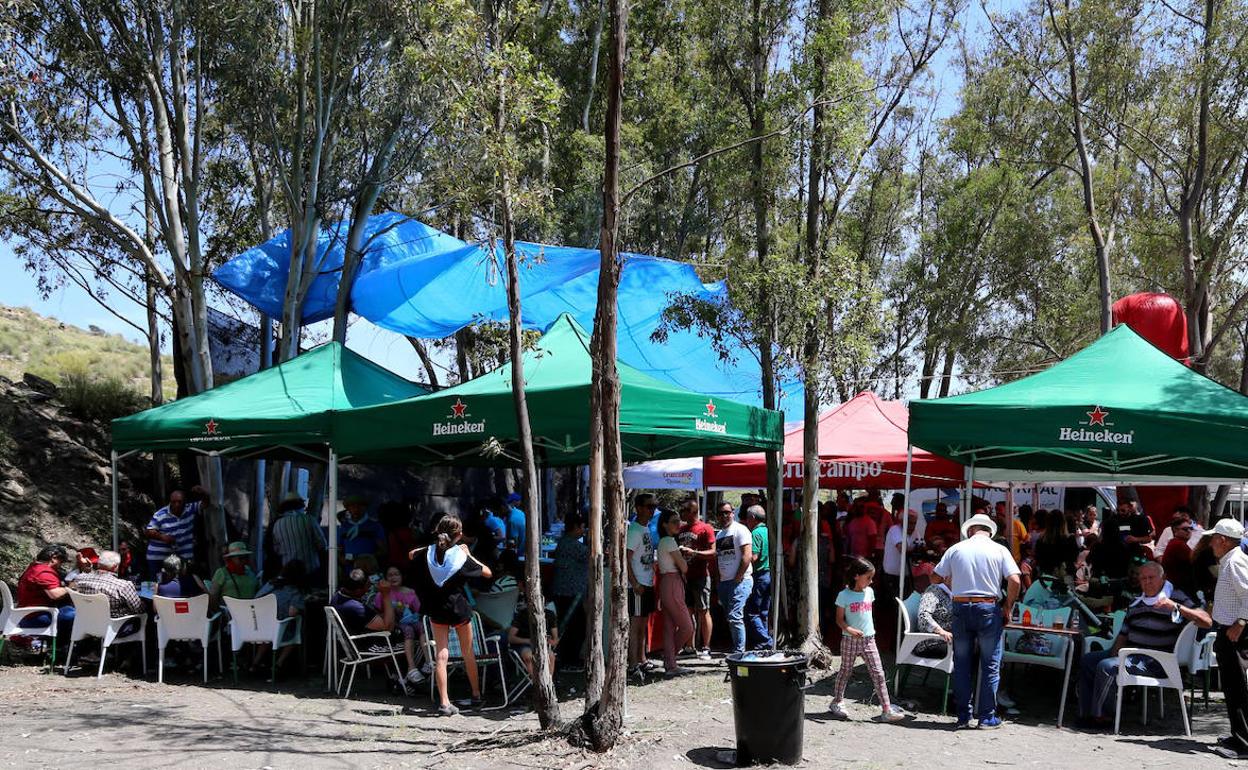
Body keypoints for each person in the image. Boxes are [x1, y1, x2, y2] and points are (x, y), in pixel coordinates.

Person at [1075, 560, 1211, 728]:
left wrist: (1176, 607)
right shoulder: (1136, 602)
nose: (1147, 582)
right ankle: (1086, 713)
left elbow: (1206, 621)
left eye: (1151, 578)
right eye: (1143, 579)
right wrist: (1115, 653)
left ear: (1163, 578)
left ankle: (1103, 717)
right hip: (1130, 653)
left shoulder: (1175, 597)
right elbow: (1123, 634)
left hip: (1156, 660)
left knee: (1106, 667)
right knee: (1088, 660)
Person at [933, 512, 1021, 730]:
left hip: (961, 607)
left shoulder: (956, 549)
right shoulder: (999, 549)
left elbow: (934, 577)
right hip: (988, 607)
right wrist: (1008, 606)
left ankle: (963, 716)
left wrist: (951, 578)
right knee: (990, 664)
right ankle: (987, 717)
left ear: (971, 530)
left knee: (962, 664)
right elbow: (1015, 580)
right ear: (989, 531)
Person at [409, 515, 491, 716]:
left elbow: (411, 554)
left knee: (441, 654)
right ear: (459, 535)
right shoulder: (460, 557)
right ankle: (476, 694)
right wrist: (469, 554)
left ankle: (445, 702)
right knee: (468, 652)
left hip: (436, 608)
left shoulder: (428, 553)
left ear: (438, 532)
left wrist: (430, 546)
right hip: (458, 608)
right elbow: (487, 573)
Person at [829, 556, 906, 722]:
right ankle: (837, 701)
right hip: (849, 640)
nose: (871, 581)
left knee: (878, 673)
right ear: (856, 576)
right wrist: (850, 629)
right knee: (845, 671)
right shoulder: (844, 595)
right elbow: (839, 620)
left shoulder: (869, 592)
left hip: (869, 640)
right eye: (868, 577)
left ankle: (886, 708)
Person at [1205, 519, 1248, 759]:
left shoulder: (1234, 561)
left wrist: (1240, 622)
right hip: (1230, 631)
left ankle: (1244, 743)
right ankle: (1239, 735)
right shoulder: (1231, 560)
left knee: (1236, 686)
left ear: (1223, 540)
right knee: (1233, 686)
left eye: (1214, 538)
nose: (1211, 543)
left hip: (1236, 633)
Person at [371, 565, 425, 688]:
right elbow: (377, 613)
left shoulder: (410, 592)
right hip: (393, 630)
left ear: (402, 576)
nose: (393, 577)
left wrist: (407, 610)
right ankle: (412, 668)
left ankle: (429, 662)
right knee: (408, 630)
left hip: (409, 623)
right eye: (390, 575)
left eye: (396, 574)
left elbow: (418, 610)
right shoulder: (382, 593)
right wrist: (391, 611)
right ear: (385, 578)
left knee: (422, 627)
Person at [654, 510, 694, 676]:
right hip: (672, 583)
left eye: (679, 521)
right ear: (665, 524)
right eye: (674, 521)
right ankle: (670, 660)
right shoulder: (669, 541)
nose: (678, 524)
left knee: (669, 627)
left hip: (667, 582)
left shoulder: (664, 541)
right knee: (687, 627)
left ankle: (670, 664)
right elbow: (684, 567)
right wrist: (683, 558)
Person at [678, 499, 718, 660]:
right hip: (684, 577)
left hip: (701, 576)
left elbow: (713, 552)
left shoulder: (705, 528)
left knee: (703, 610)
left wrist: (694, 553)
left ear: (693, 511)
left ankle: (706, 648)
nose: (681, 513)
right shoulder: (681, 529)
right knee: (687, 612)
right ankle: (689, 646)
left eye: (684, 510)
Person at [72, 549, 144, 636]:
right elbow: (139, 609)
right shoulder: (123, 586)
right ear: (115, 567)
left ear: (98, 564)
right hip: (115, 628)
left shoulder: (80, 579)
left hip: (86, 624)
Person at [144, 486, 210, 580]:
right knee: (158, 583)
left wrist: (203, 493)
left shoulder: (191, 509)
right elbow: (148, 531)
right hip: (158, 557)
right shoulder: (160, 514)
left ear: (185, 502)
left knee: (185, 582)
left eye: (180, 502)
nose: (177, 504)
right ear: (170, 502)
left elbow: (206, 503)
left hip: (183, 556)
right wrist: (162, 537)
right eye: (174, 502)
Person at [551, 511, 589, 672]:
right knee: (576, 628)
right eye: (582, 527)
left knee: (569, 627)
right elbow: (592, 553)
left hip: (564, 591)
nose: (583, 531)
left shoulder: (563, 542)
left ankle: (568, 658)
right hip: (570, 593)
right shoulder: (572, 545)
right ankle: (569, 660)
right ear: (575, 527)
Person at [714, 501, 753, 656]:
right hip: (724, 582)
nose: (724, 516)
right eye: (720, 513)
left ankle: (739, 652)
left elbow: (747, 556)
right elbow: (718, 558)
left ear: (733, 512)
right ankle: (736, 649)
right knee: (731, 617)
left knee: (735, 616)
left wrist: (738, 577)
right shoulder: (720, 534)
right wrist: (719, 581)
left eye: (727, 512)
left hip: (740, 581)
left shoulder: (740, 530)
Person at [626, 493, 659, 675]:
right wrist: (634, 583)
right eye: (649, 506)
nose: (652, 510)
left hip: (646, 582)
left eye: (654, 506)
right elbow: (626, 558)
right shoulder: (634, 530)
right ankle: (633, 664)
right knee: (636, 626)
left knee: (643, 624)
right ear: (638, 508)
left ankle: (642, 659)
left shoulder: (646, 529)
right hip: (637, 584)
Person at [15, 544, 74, 640]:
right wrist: (70, 588)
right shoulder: (43, 571)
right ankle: (63, 644)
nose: (60, 566)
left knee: (68, 609)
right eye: (61, 562)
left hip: (25, 614)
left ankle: (57, 642)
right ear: (53, 558)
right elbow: (55, 594)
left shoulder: (34, 568)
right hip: (34, 618)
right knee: (74, 615)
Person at [271, 491, 327, 577]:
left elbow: (276, 549)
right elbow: (322, 544)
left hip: (288, 571)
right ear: (300, 505)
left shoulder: (277, 524)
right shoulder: (309, 520)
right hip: (310, 569)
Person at [743, 504, 773, 650]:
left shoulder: (755, 533)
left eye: (747, 518)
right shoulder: (768, 531)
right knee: (764, 612)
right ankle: (763, 644)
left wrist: (742, 561)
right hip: (769, 574)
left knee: (752, 612)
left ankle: (766, 641)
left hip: (759, 575)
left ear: (753, 518)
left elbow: (754, 556)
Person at [508, 596, 558, 681]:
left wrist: (550, 642)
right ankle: (538, 682)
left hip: (541, 645)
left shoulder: (550, 615)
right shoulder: (522, 615)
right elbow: (511, 638)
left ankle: (548, 682)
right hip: (524, 644)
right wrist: (529, 641)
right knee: (529, 656)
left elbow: (555, 638)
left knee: (551, 656)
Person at [338, 495, 385, 568]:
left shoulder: (375, 526)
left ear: (365, 508)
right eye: (352, 506)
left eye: (360, 506)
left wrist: (368, 558)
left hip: (368, 568)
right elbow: (338, 548)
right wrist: (342, 559)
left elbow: (383, 549)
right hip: (349, 568)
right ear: (348, 509)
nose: (356, 509)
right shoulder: (343, 527)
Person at [209, 542, 260, 607]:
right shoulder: (222, 572)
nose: (243, 560)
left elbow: (257, 590)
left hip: (250, 609)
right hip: (230, 611)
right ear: (231, 558)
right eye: (240, 558)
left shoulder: (249, 572)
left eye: (245, 557)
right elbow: (213, 596)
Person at [914, 581, 954, 658]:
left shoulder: (955, 594)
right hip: (933, 642)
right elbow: (923, 616)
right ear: (946, 577)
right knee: (969, 648)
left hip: (948, 640)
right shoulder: (934, 590)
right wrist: (941, 631)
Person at [1160, 516, 1198, 596]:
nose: (1189, 531)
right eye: (1185, 529)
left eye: (1190, 528)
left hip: (1176, 587)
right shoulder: (1178, 544)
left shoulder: (1176, 543)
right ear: (1175, 530)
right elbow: (1196, 561)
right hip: (1177, 588)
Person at [1034, 511, 1078, 577]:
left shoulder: (1041, 541)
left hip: (1046, 577)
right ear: (1064, 523)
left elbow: (1038, 560)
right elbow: (1074, 558)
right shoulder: (1070, 539)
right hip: (1065, 577)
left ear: (1047, 524)